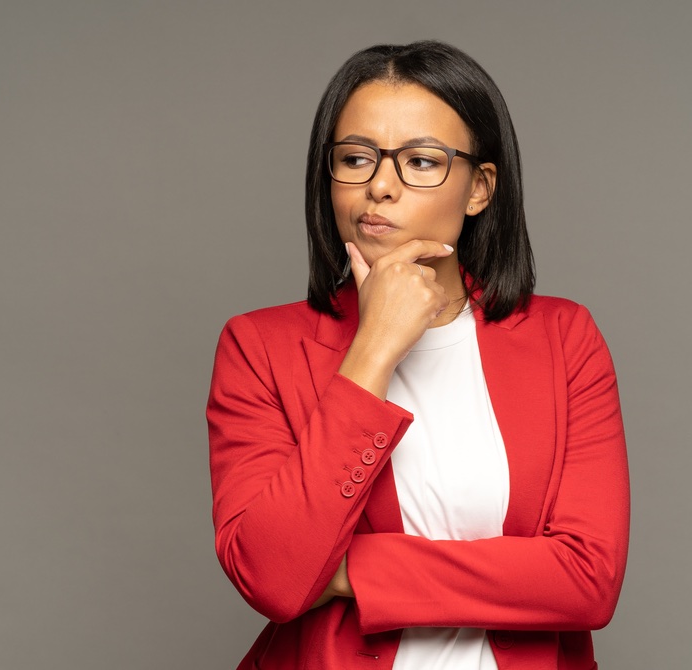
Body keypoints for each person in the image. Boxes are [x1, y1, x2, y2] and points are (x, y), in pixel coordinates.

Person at [207, 40, 629, 670]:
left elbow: (587, 580)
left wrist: (349, 571)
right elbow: (272, 576)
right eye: (355, 159)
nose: (379, 186)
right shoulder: (260, 347)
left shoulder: (564, 338)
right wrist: (372, 349)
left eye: (421, 162)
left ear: (479, 188)